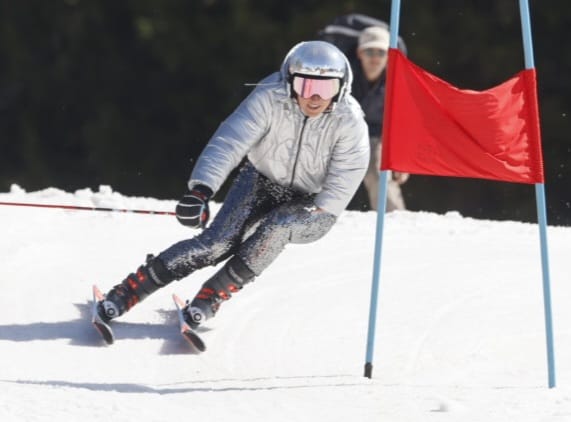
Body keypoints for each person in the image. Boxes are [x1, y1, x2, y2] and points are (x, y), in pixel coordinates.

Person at [95, 41, 370, 329]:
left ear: (342, 87)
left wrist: (322, 212)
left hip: (312, 201)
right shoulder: (268, 98)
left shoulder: (349, 122)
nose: (314, 97)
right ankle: (129, 291)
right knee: (216, 243)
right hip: (261, 180)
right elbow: (230, 141)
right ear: (289, 83)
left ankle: (211, 295)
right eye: (305, 86)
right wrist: (200, 190)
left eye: (326, 88)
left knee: (278, 227)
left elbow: (346, 176)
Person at [351, 26, 409, 211]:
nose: (375, 58)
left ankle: (394, 222)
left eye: (380, 52)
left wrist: (400, 160)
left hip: (379, 137)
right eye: (369, 51)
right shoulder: (345, 77)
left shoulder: (397, 81)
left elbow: (401, 123)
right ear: (360, 53)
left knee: (379, 173)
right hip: (344, 134)